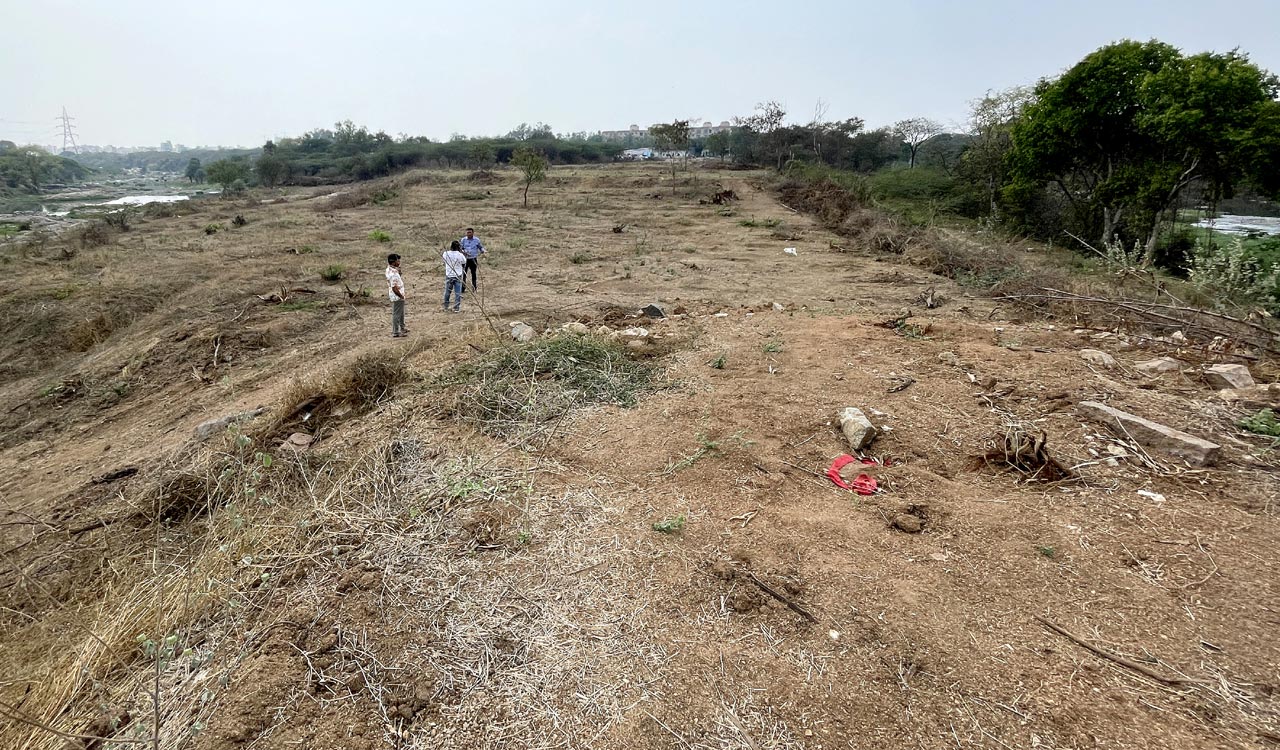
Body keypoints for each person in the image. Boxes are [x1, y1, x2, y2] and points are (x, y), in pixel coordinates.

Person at [385, 253, 408, 337]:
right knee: (397, 314)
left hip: (396, 294)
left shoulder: (389, 269)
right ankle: (396, 332)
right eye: (398, 260)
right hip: (397, 295)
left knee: (400, 312)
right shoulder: (393, 273)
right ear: (393, 262)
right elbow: (394, 287)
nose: (399, 262)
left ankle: (402, 328)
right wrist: (401, 296)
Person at [459, 227, 486, 292]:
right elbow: (460, 248)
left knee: (473, 273)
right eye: (467, 232)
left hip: (473, 259)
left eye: (470, 232)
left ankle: (474, 288)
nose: (468, 234)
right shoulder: (463, 240)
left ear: (473, 233)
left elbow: (480, 247)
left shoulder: (476, 240)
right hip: (465, 259)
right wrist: (463, 252)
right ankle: (462, 288)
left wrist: (483, 250)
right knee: (463, 274)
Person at [442, 240, 466, 312]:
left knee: (447, 292)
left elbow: (444, 260)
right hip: (458, 274)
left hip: (449, 274)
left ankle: (446, 306)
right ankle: (456, 308)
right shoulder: (460, 255)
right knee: (457, 292)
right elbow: (464, 261)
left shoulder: (446, 253)